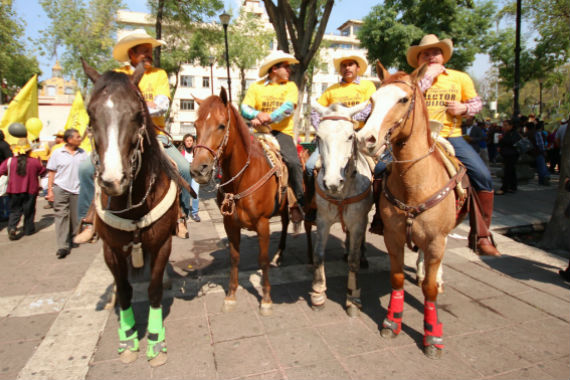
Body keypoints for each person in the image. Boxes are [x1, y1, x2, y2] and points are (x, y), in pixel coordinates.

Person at [373, 34, 500, 255]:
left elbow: (476, 103)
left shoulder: (460, 78)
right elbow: (405, 97)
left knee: (482, 175)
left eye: (436, 52)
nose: (431, 56)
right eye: (426, 53)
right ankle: (379, 220)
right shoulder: (411, 79)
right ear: (419, 58)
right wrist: (426, 78)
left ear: (443, 56)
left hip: (452, 136)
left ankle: (481, 234)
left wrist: (463, 109)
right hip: (417, 138)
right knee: (380, 168)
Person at [74, 29, 192, 243]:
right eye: (143, 52)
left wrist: (129, 107)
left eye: (149, 52)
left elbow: (161, 106)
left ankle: (181, 216)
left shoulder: (158, 74)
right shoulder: (115, 75)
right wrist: (136, 107)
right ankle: (88, 220)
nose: (148, 55)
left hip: (154, 134)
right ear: (131, 54)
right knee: (84, 169)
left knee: (183, 167)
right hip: (118, 136)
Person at [304, 52, 376, 222]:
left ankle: (379, 211)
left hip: (361, 138)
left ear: (358, 68)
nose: (347, 68)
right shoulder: (330, 90)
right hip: (333, 141)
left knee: (382, 169)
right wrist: (322, 129)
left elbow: (369, 108)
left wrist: (348, 124)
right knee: (309, 166)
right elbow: (316, 111)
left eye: (351, 64)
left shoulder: (367, 86)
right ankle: (311, 205)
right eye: (344, 65)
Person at [240, 50, 305, 223]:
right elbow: (244, 108)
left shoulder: (290, 86)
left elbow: (289, 107)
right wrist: (256, 114)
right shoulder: (256, 87)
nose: (289, 70)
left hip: (281, 133)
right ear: (274, 69)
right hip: (258, 133)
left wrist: (268, 117)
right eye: (286, 67)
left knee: (293, 162)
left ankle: (299, 201)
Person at [46, 129, 88, 258]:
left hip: (78, 189)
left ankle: (74, 236)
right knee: (61, 216)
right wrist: (50, 190)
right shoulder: (57, 153)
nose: (80, 139)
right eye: (77, 137)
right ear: (69, 139)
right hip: (61, 188)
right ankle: (63, 246)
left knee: (76, 217)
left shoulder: (83, 154)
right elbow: (51, 172)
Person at [0, 137, 46, 239]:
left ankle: (12, 227)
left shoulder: (10, 161)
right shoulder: (34, 162)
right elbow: (43, 172)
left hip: (14, 190)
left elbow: (1, 171)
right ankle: (28, 229)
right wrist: (41, 164)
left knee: (15, 210)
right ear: (29, 150)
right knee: (29, 211)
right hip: (31, 190)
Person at [495, 119, 521, 195]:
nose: (504, 127)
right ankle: (513, 187)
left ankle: (504, 188)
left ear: (511, 126)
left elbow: (512, 142)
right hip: (506, 154)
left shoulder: (514, 134)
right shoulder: (506, 133)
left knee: (507, 171)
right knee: (511, 171)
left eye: (506, 125)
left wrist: (502, 140)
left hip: (512, 155)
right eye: (503, 125)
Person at [181, 134, 200, 222]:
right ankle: (185, 212)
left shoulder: (196, 151)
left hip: (195, 175)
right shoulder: (181, 151)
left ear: (193, 142)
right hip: (185, 175)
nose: (189, 142)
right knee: (185, 194)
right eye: (187, 141)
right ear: (184, 142)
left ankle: (195, 213)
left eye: (190, 141)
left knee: (195, 194)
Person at [0, 130, 13, 221]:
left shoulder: (4, 145)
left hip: (3, 173)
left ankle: (6, 213)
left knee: (3, 193)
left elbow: (9, 159)